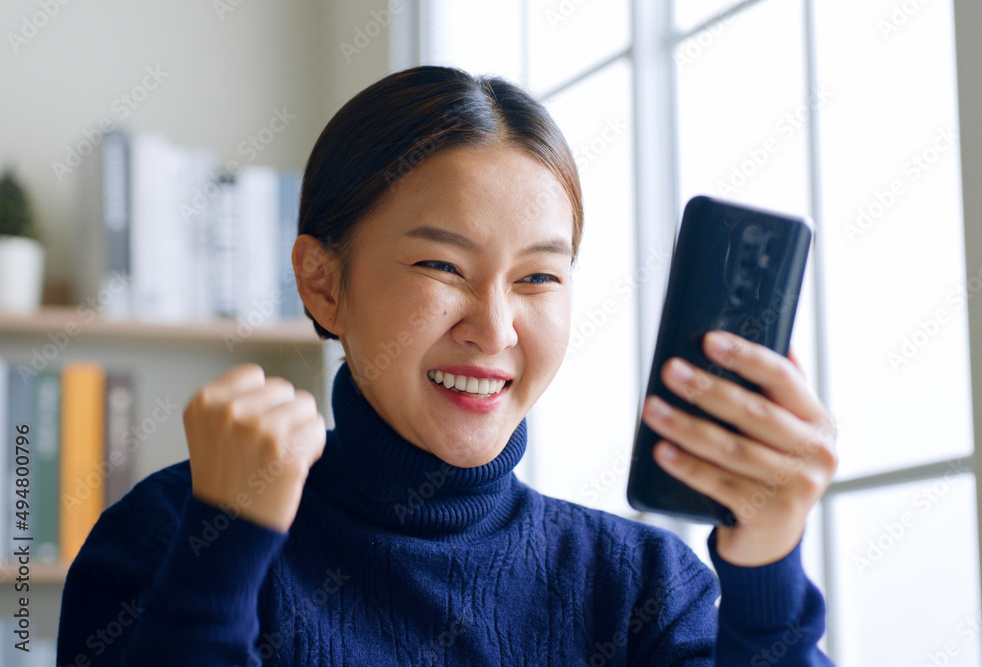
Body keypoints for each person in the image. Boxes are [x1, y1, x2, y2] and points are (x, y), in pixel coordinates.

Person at [56, 65, 838, 665]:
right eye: (442, 266)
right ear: (323, 283)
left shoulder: (640, 587)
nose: (494, 328)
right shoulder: (165, 535)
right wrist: (220, 552)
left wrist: (767, 561)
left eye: (538, 277)